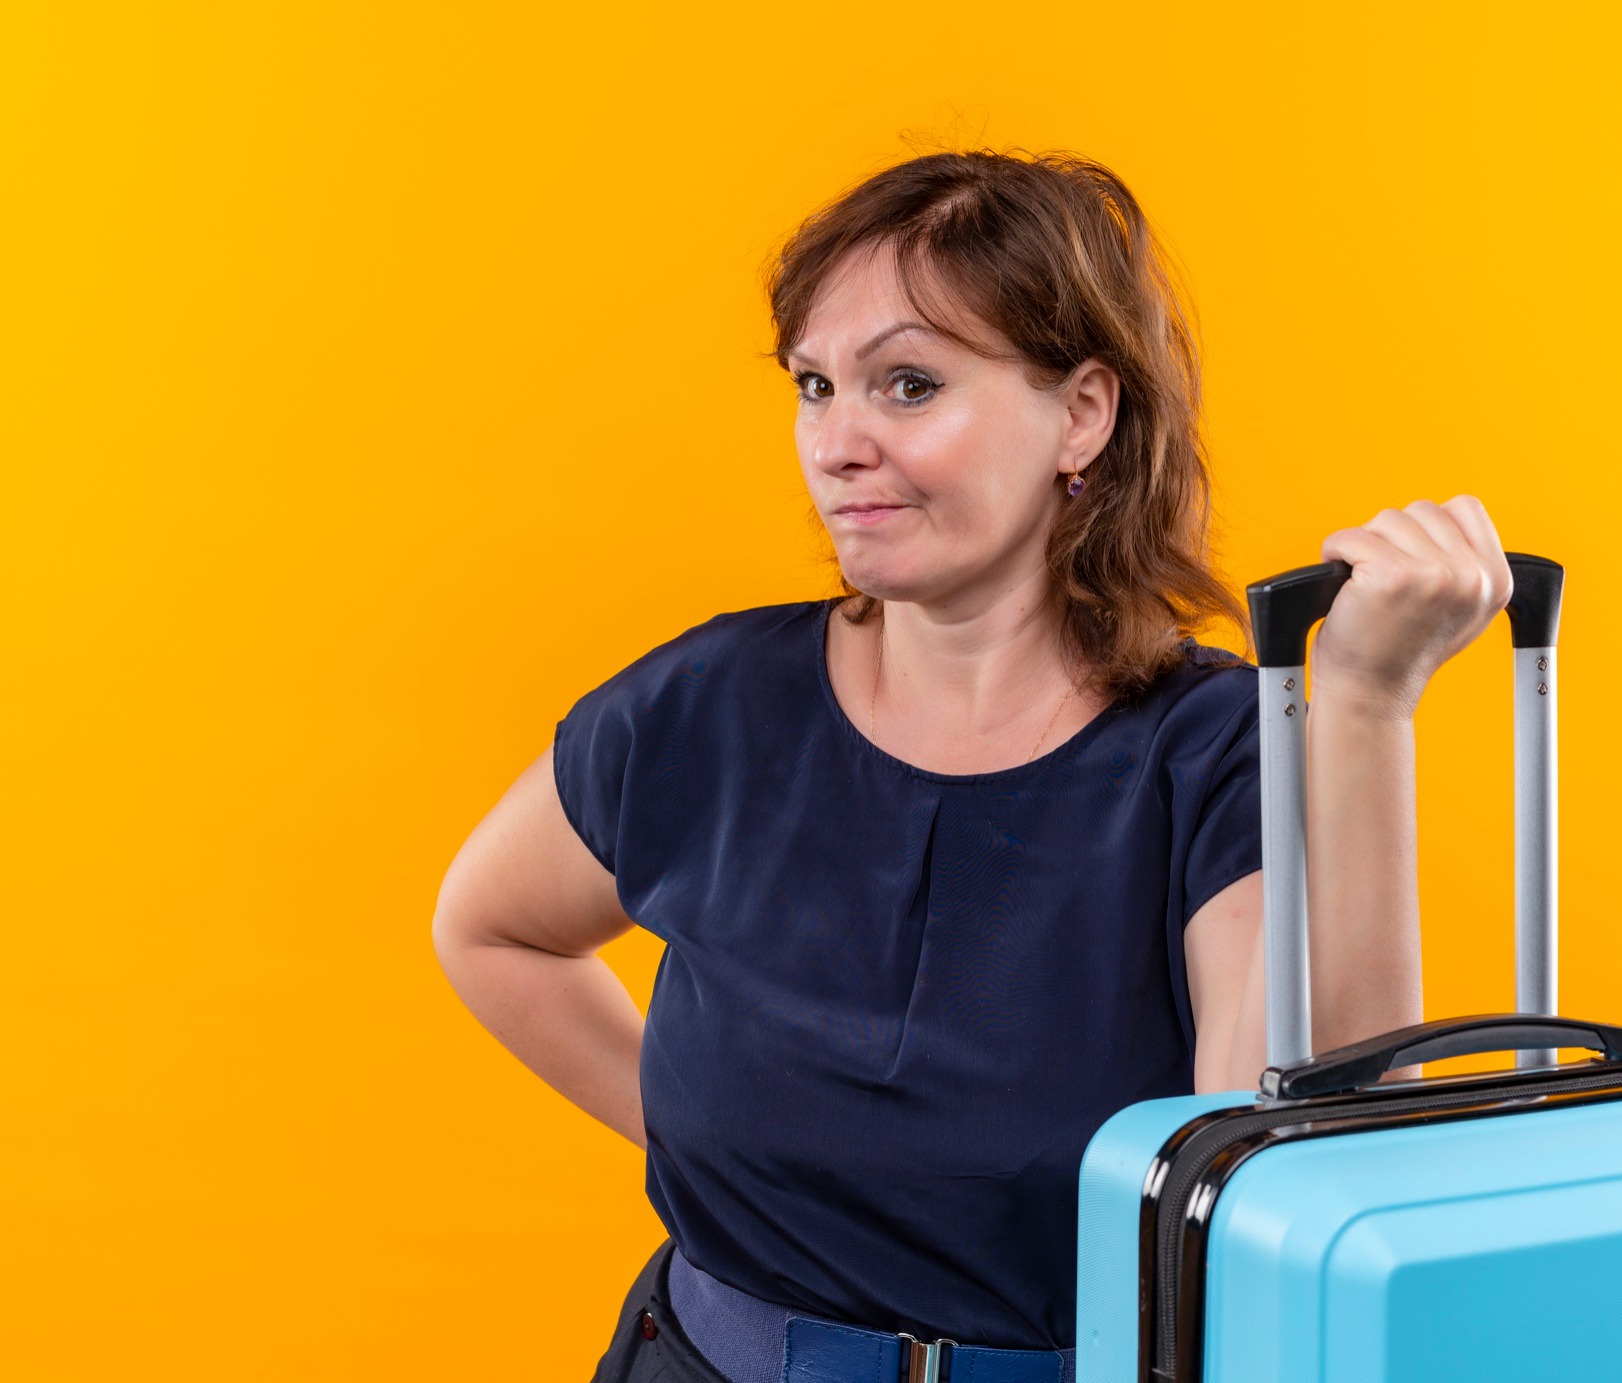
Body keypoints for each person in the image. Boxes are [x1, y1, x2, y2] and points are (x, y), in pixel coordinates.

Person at [431, 148, 1513, 1383]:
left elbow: (1290, 1177)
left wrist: (1366, 706)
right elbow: (489, 927)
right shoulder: (708, 705)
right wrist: (718, 1158)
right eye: (813, 385)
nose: (836, 443)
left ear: (1082, 415)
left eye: (906, 384)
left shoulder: (1207, 754)